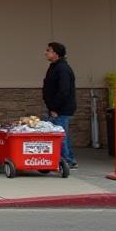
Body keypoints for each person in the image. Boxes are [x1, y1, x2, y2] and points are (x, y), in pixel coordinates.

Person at [43, 41, 78, 169]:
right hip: (56, 107)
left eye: (48, 50)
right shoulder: (54, 67)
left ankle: (66, 161)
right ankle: (70, 159)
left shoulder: (62, 69)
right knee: (62, 134)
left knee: (60, 135)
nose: (45, 53)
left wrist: (55, 108)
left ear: (56, 54)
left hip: (61, 109)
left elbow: (64, 91)